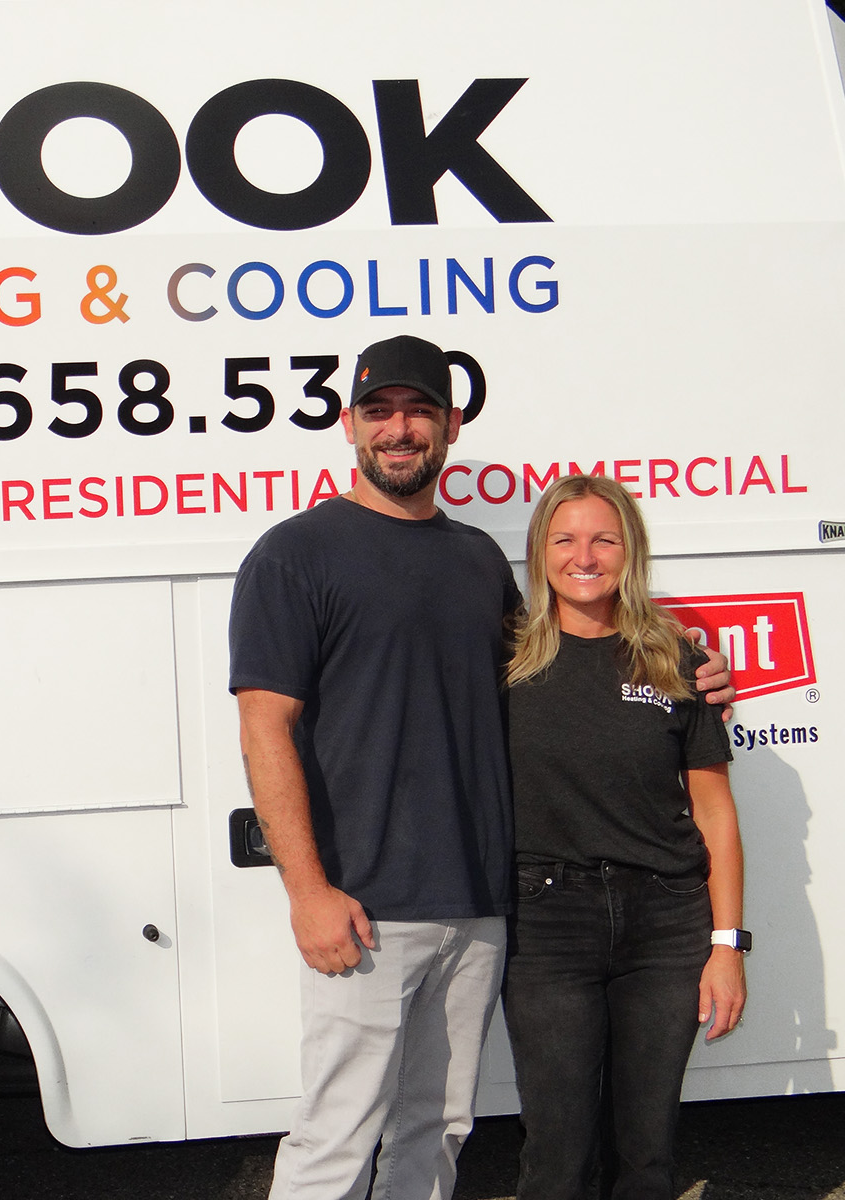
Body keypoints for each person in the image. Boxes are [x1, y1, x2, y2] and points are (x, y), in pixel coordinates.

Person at [227, 334, 734, 1200]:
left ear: (451, 428)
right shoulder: (294, 553)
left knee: (438, 1128)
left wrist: (686, 658)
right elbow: (263, 728)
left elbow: (574, 660)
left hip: (486, 909)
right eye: (380, 412)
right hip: (364, 907)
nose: (400, 429)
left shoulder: (476, 563)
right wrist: (306, 890)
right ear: (350, 426)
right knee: (337, 1135)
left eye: (419, 410)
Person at [501, 473, 747, 1200]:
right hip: (548, 923)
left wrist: (727, 947)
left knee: (647, 1154)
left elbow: (715, 813)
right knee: (558, 1154)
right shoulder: (502, 660)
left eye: (604, 538)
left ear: (630, 551)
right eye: (565, 538)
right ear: (539, 552)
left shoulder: (679, 661)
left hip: (667, 924)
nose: (585, 555)